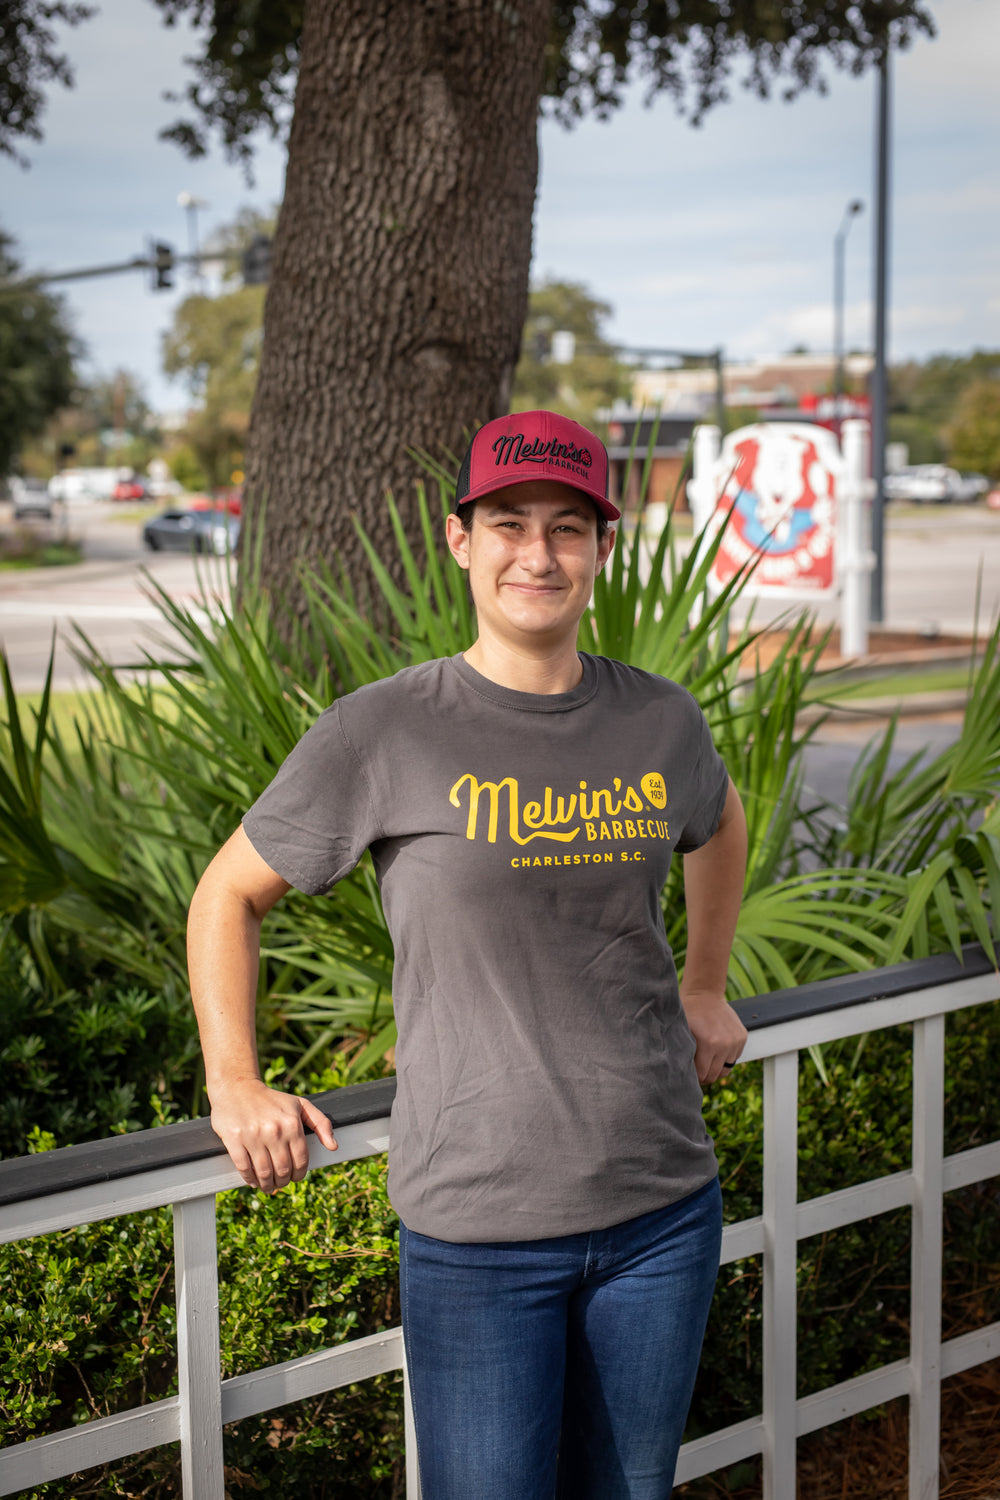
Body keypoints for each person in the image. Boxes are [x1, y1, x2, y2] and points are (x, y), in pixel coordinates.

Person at [187, 409, 748, 1500]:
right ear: (460, 540)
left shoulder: (660, 721)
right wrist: (233, 1077)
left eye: (568, 528)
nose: (537, 555)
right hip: (480, 1232)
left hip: (661, 1209)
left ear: (601, 547)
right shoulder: (384, 729)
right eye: (508, 523)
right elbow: (227, 894)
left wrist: (705, 981)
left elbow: (718, 824)